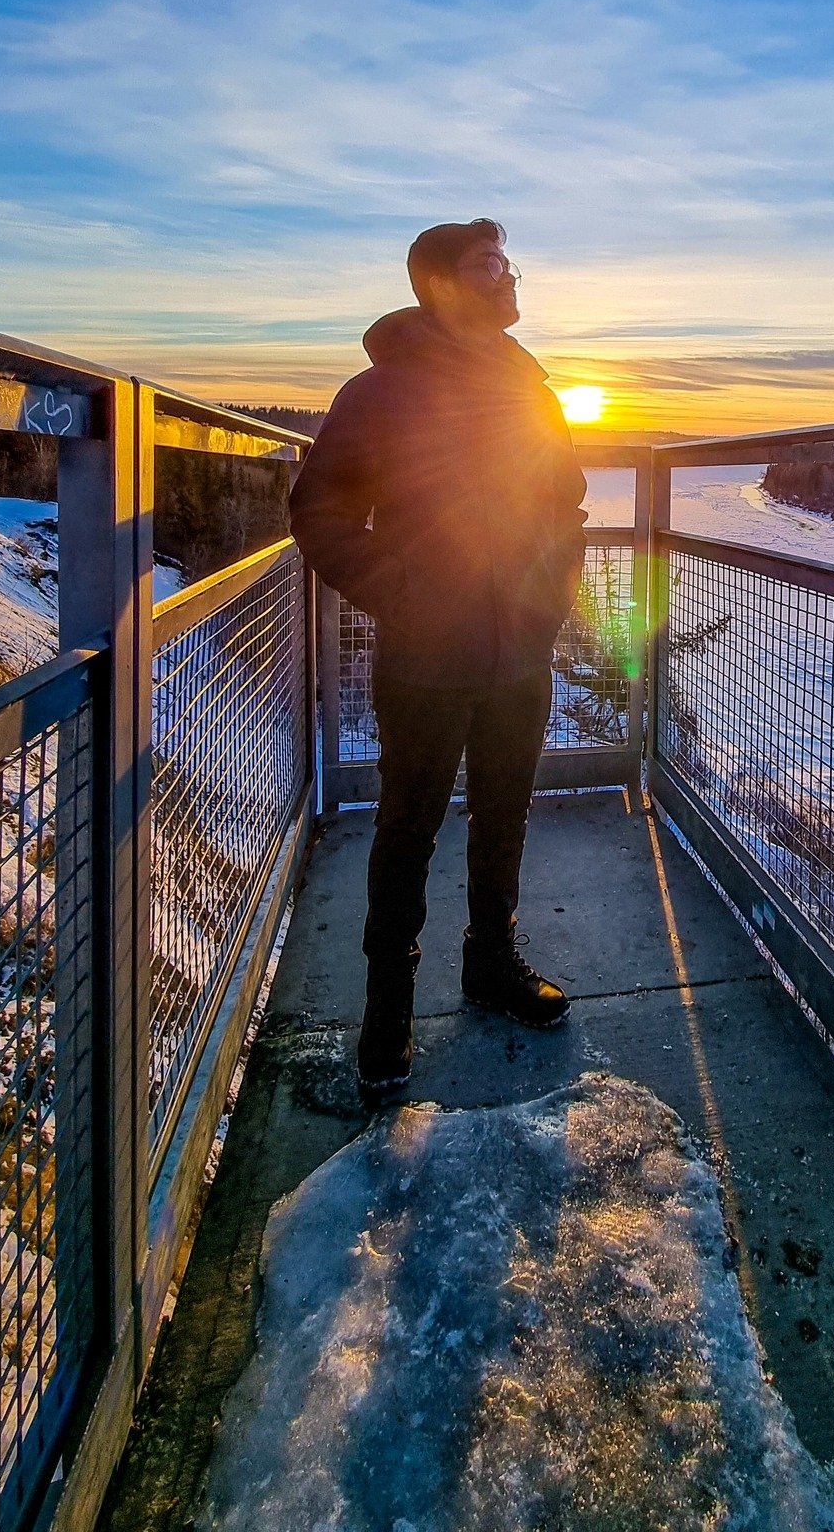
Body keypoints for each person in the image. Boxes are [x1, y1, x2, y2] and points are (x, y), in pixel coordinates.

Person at [289, 219, 587, 1098]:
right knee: (407, 829)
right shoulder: (381, 392)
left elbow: (564, 501)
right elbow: (321, 512)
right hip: (425, 657)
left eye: (507, 261)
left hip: (519, 651)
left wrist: (548, 594)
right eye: (488, 264)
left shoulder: (528, 388)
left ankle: (491, 965)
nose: (507, 276)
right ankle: (387, 1012)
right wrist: (402, 593)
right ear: (442, 285)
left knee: (505, 816)